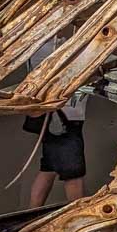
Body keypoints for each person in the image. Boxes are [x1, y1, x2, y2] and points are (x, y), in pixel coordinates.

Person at [27, 35, 89, 207]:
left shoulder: (43, 43)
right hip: (61, 116)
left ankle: (31, 215)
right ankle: (77, 216)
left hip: (56, 113)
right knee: (73, 171)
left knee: (49, 167)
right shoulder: (52, 44)